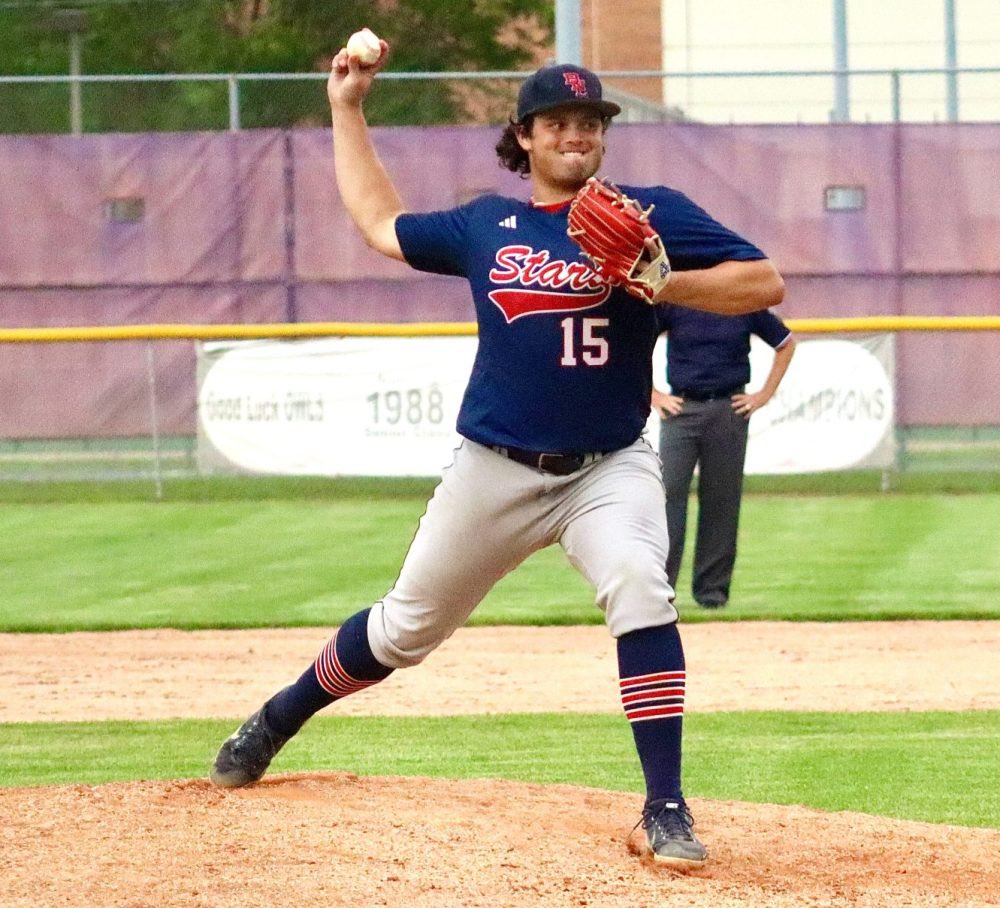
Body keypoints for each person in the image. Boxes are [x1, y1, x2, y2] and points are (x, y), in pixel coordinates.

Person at [209, 40, 785, 871]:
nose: (576, 133)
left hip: (608, 465)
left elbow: (763, 284)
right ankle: (274, 720)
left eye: (590, 120)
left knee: (639, 585)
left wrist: (662, 282)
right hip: (495, 467)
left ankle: (665, 806)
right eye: (557, 121)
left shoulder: (649, 213)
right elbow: (378, 224)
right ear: (523, 137)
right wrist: (346, 108)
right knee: (404, 630)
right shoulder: (488, 223)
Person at [652, 309, 795, 608]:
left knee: (721, 499)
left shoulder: (742, 303)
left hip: (728, 409)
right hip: (681, 408)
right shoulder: (676, 301)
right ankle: (658, 590)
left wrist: (763, 396)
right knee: (667, 497)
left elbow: (786, 343)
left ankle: (712, 594)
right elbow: (633, 343)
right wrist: (654, 395)